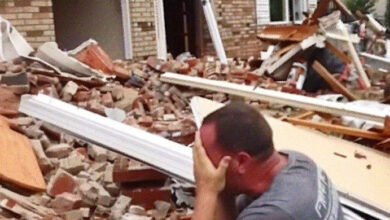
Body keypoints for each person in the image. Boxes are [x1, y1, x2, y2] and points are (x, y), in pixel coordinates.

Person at [192, 102, 343, 220]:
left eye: (206, 155)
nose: (202, 164)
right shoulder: (297, 161)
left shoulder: (274, 212)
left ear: (242, 162)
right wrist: (221, 190)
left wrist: (206, 189)